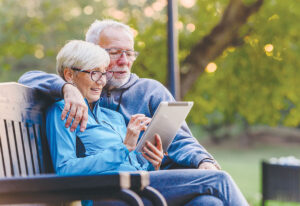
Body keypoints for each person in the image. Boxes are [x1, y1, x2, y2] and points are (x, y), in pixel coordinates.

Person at [47, 39, 248, 206]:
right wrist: (124, 147)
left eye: (103, 73)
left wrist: (151, 163)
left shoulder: (113, 117)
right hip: (109, 193)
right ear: (69, 75)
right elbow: (66, 170)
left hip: (134, 186)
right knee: (218, 179)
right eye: (94, 73)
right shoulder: (61, 112)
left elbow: (130, 164)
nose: (101, 81)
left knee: (208, 203)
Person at [19, 19, 219, 171]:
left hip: (152, 177)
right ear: (95, 54)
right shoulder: (74, 95)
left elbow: (180, 138)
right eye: (115, 52)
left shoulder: (149, 91)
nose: (124, 61)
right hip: (117, 190)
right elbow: (29, 77)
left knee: (210, 199)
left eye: (129, 53)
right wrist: (67, 88)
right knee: (216, 185)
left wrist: (203, 160)